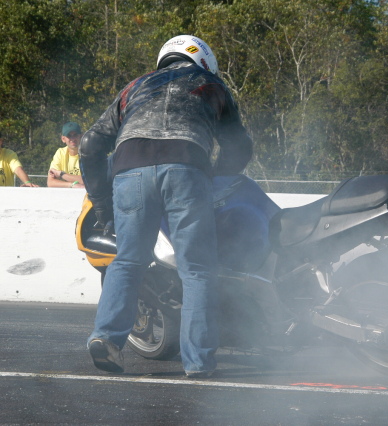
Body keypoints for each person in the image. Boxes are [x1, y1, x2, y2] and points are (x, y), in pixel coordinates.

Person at [79, 35, 253, 377]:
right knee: (197, 270)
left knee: (128, 260)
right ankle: (198, 362)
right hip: (187, 167)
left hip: (130, 169)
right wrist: (214, 176)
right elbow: (239, 147)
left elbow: (87, 146)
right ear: (203, 60)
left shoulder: (134, 87)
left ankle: (106, 339)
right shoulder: (211, 83)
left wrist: (102, 205)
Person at [48, 122, 85, 188]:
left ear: (81, 136)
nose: (73, 139)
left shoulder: (89, 153)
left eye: (75, 135)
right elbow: (50, 182)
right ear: (63, 139)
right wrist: (72, 185)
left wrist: (62, 174)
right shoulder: (60, 153)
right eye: (69, 136)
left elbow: (88, 180)